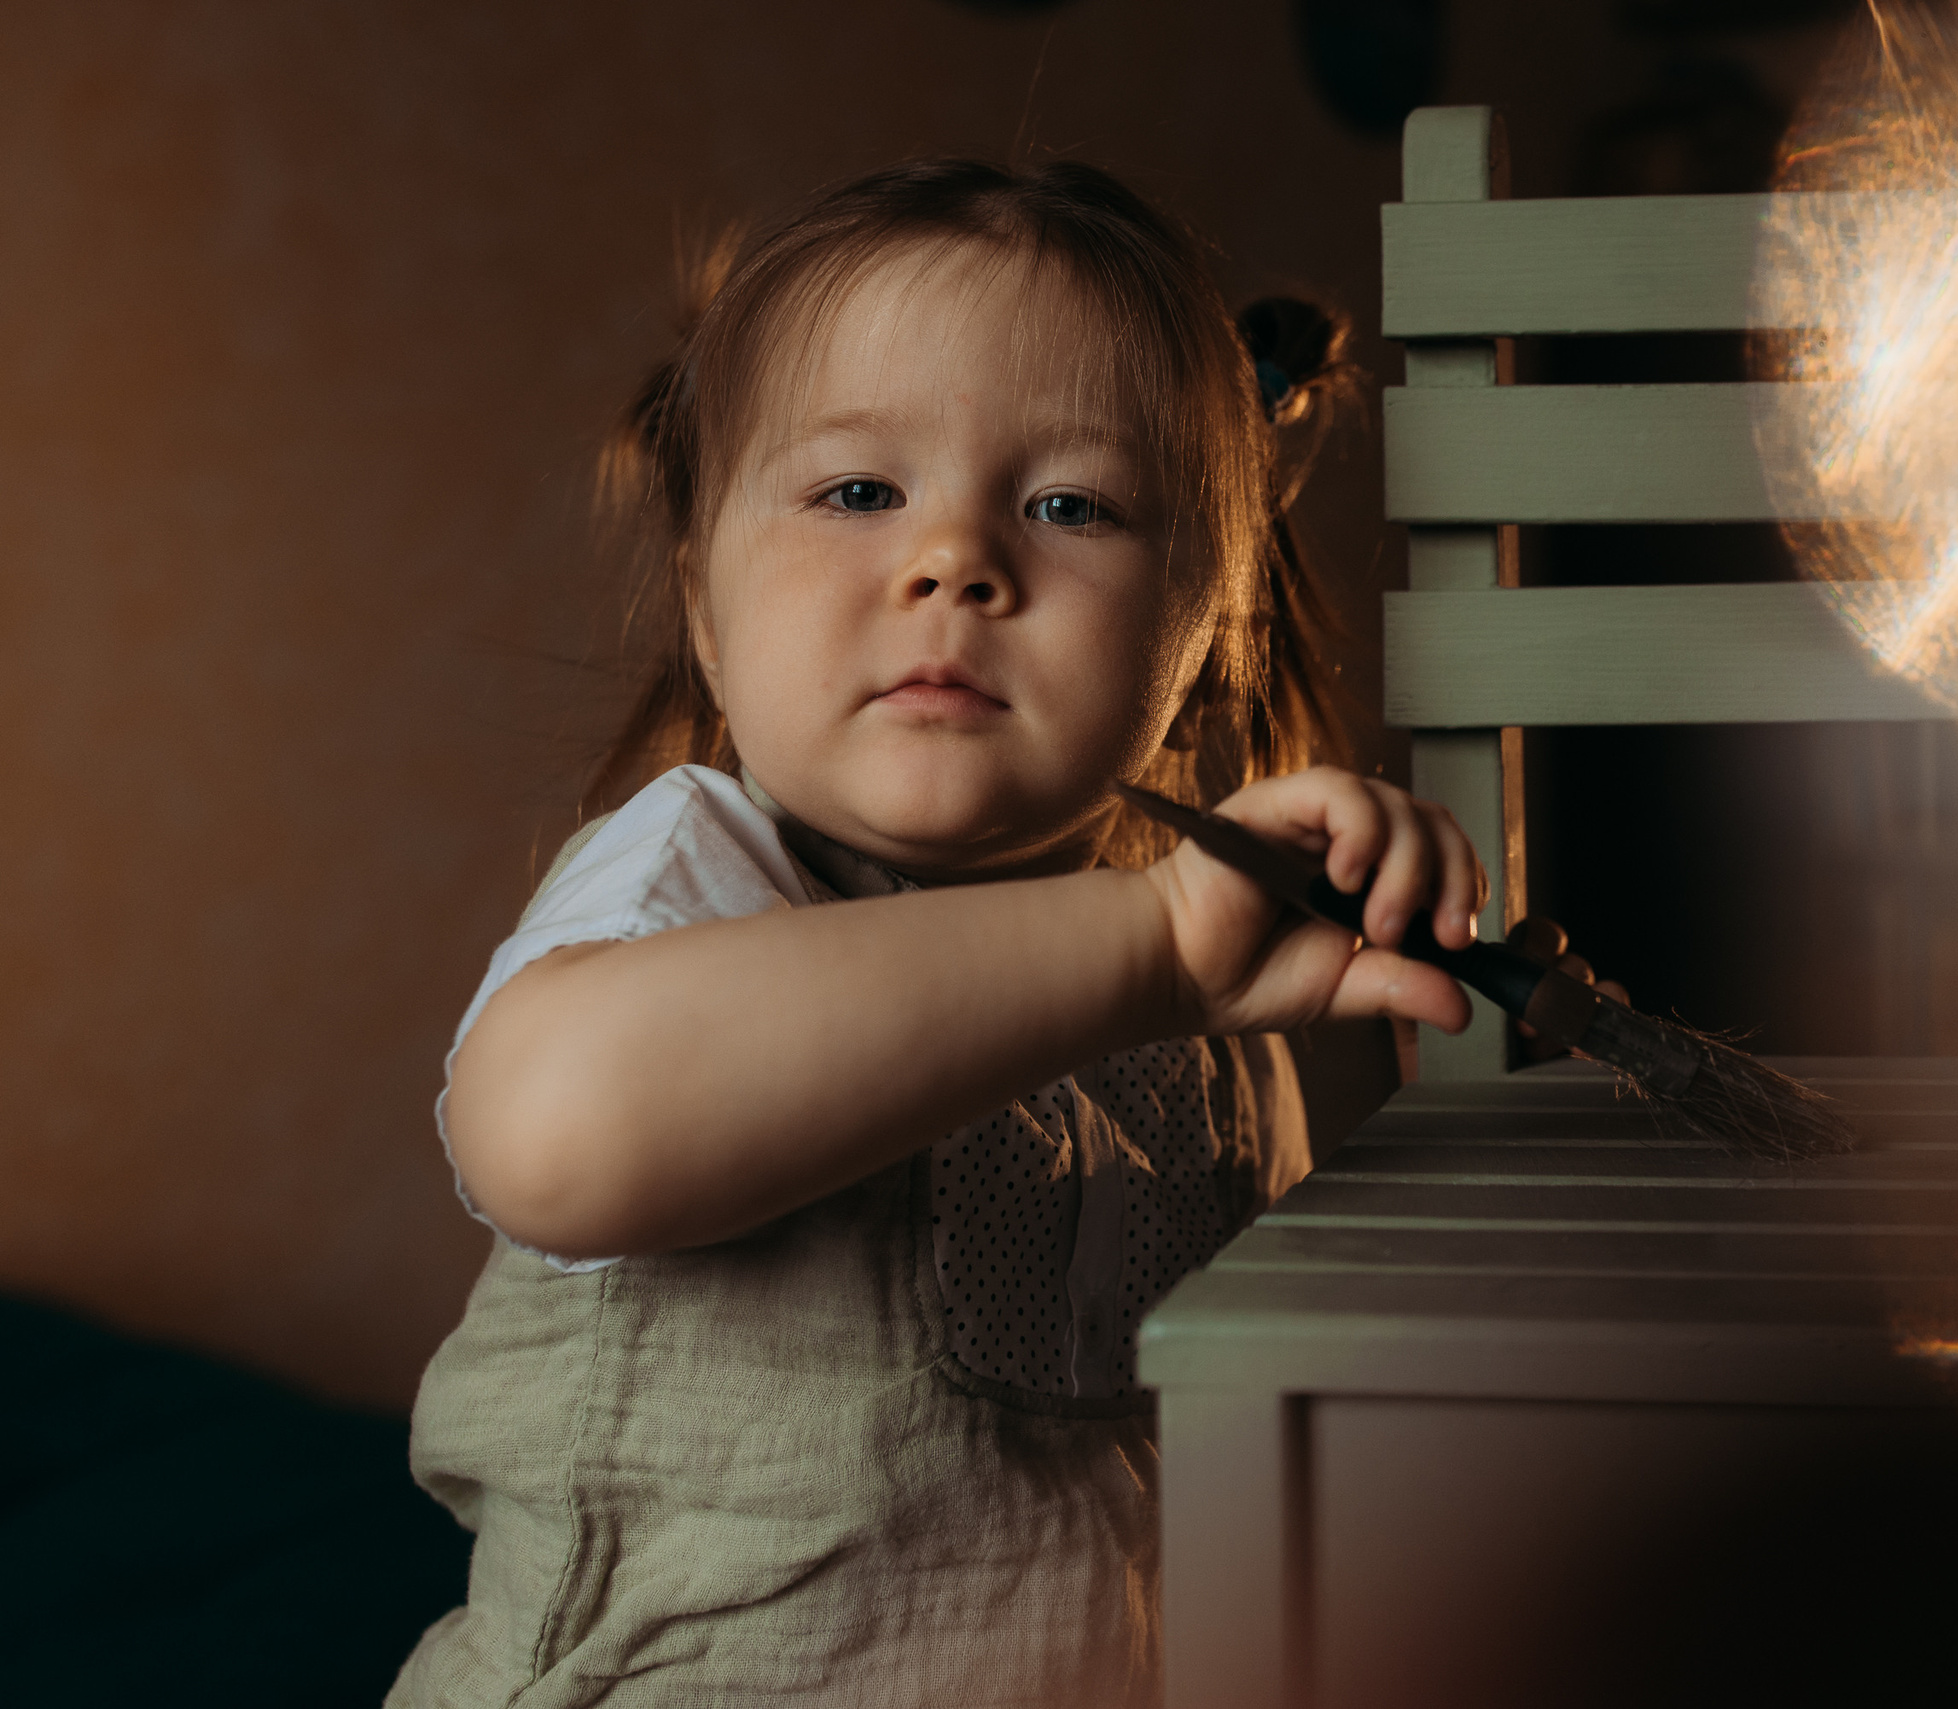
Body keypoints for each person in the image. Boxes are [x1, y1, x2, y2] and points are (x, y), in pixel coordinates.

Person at [386, 159, 1486, 1708]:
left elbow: (1245, 1446)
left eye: (1069, 506)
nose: (957, 558)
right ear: (706, 613)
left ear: (1202, 638)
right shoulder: (701, 872)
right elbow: (554, 1134)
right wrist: (1156, 946)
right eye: (858, 492)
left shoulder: (1209, 973)